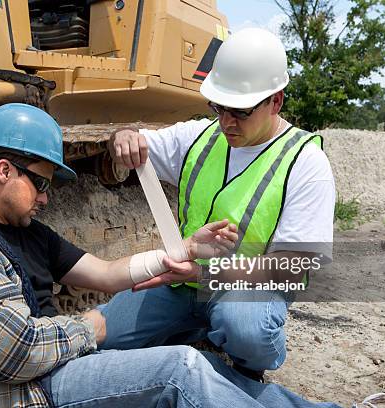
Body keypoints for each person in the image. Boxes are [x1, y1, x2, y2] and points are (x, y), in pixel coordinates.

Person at [0, 103, 340, 407]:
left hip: (45, 365)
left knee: (205, 358)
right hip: (2, 392)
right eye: (42, 183)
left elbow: (105, 273)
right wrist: (94, 325)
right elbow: (16, 354)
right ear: (4, 171)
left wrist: (180, 253)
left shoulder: (25, 232)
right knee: (179, 368)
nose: (47, 198)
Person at [98, 27, 336, 381]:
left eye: (239, 111)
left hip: (248, 290)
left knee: (245, 328)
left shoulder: (306, 164)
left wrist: (204, 274)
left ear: (276, 101)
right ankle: (197, 329)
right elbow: (134, 142)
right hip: (183, 283)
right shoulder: (202, 136)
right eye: (218, 107)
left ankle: (249, 363)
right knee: (107, 337)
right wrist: (123, 138)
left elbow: (291, 267)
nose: (226, 121)